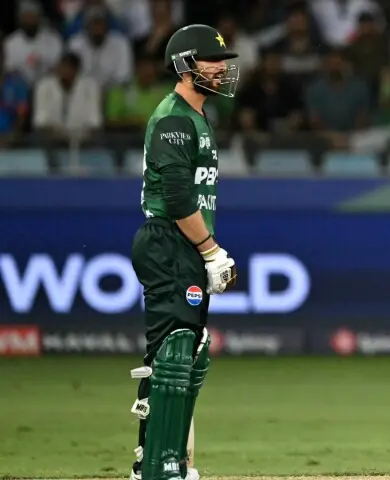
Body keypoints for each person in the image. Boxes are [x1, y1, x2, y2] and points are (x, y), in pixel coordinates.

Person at [128, 24, 240, 480]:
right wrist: (211, 250)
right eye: (210, 60)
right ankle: (157, 466)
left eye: (222, 60)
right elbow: (176, 199)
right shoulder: (175, 119)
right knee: (172, 355)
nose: (221, 67)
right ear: (183, 65)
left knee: (186, 355)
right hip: (170, 243)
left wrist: (205, 251)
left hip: (182, 246)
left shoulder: (195, 116)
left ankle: (170, 462)